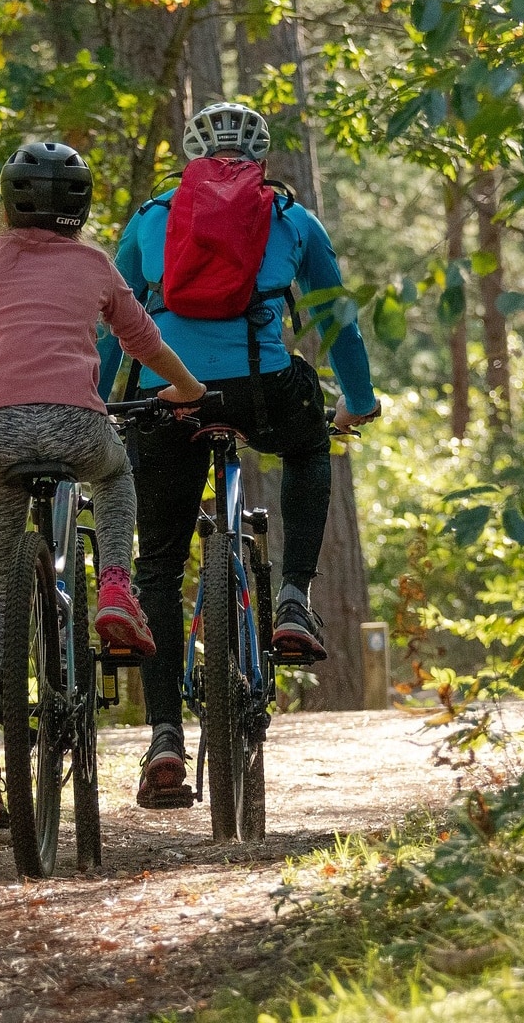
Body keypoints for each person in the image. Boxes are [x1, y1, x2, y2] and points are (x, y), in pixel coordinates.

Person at [97, 102, 379, 810]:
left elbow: (111, 320)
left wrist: (99, 398)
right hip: (263, 390)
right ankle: (292, 598)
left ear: (192, 155)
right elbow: (336, 318)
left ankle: (164, 735)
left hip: (168, 395)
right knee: (311, 449)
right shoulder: (291, 219)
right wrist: (360, 398)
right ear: (260, 158)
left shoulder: (152, 216)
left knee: (158, 563)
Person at [0, 142, 206, 824]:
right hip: (81, 429)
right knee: (115, 473)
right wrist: (188, 389)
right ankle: (114, 586)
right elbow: (141, 340)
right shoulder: (95, 266)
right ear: (80, 208)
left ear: (9, 200)